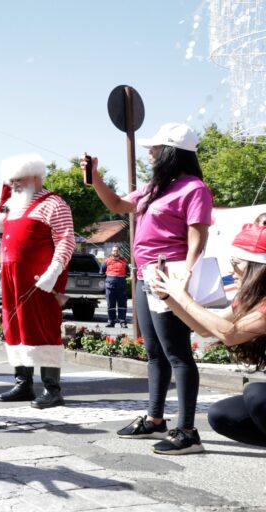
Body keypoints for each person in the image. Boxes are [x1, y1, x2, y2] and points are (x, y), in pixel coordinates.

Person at [82, 122, 213, 455]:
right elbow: (116, 205)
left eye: (155, 148)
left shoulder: (193, 188)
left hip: (170, 273)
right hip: (144, 274)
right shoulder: (155, 187)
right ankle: (155, 419)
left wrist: (187, 273)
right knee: (154, 351)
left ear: (171, 151)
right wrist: (95, 176)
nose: (151, 153)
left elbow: (198, 234)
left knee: (178, 353)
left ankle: (187, 431)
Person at [152, 223, 266, 448]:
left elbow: (230, 334)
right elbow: (207, 329)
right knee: (222, 415)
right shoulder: (249, 300)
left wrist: (183, 296)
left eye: (236, 263)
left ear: (258, 267)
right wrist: (169, 298)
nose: (231, 270)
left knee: (256, 394)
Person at [0, 154, 75, 409]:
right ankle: (23, 383)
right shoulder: (14, 206)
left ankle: (52, 389)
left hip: (39, 281)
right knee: (14, 326)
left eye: (19, 179)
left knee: (43, 328)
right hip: (12, 279)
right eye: (12, 180)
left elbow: (66, 240)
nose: (14, 184)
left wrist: (53, 272)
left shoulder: (54, 204)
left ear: (36, 176)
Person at [100, 245, 130, 328]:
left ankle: (122, 321)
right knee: (111, 304)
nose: (115, 252)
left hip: (121, 287)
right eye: (114, 251)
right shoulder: (106, 261)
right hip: (110, 287)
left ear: (119, 252)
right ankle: (111, 321)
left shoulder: (124, 261)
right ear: (111, 252)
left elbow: (128, 273)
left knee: (122, 305)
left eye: (116, 251)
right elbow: (101, 272)